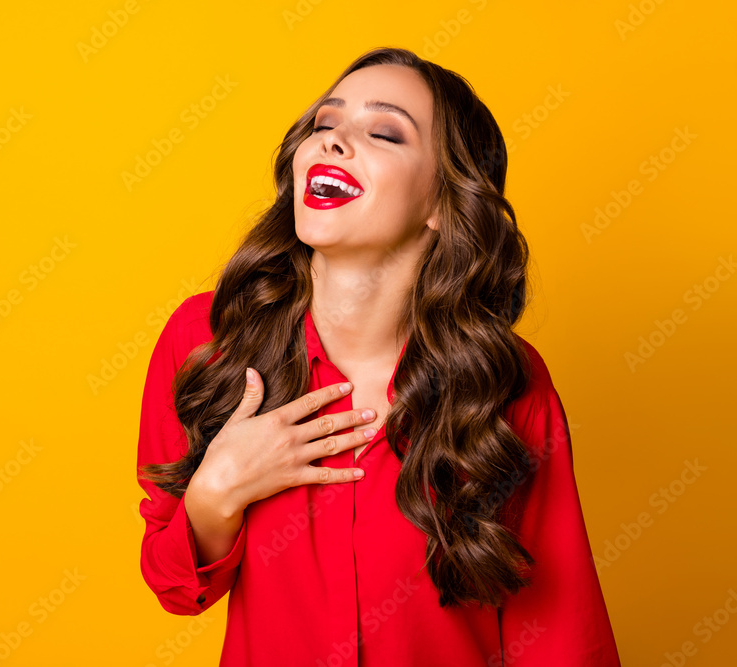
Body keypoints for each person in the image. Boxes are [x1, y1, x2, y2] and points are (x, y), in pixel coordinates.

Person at [135, 46, 621, 666]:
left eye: (384, 131)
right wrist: (215, 492)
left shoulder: (504, 380)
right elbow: (175, 584)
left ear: (443, 204)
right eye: (326, 123)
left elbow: (557, 629)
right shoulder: (208, 342)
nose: (334, 141)